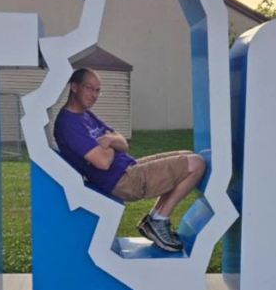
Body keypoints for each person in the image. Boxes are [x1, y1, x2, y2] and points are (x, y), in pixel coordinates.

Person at [53, 68, 205, 253]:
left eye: (98, 90)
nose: (94, 95)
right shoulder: (69, 123)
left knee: (187, 154)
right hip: (122, 180)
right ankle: (159, 220)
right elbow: (103, 162)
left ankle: (154, 218)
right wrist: (111, 143)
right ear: (74, 87)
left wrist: (109, 141)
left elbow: (123, 143)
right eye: (89, 88)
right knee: (196, 164)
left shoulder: (85, 115)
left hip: (128, 167)